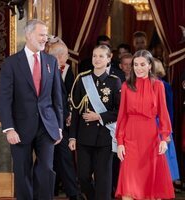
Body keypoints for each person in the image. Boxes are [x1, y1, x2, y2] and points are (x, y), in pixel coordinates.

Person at [0, 19, 63, 200]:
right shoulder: (11, 63)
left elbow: (57, 97)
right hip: (19, 127)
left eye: (46, 35)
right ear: (28, 35)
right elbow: (4, 99)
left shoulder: (51, 62)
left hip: (47, 126)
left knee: (46, 170)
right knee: (22, 171)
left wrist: (58, 127)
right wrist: (8, 128)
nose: (45, 39)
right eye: (41, 35)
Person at [115, 50, 175, 200]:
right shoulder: (126, 86)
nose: (138, 68)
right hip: (130, 138)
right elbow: (122, 116)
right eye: (135, 64)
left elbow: (163, 114)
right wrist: (120, 142)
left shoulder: (158, 86)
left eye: (142, 64)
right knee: (128, 185)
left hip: (151, 139)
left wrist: (164, 138)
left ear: (150, 66)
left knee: (151, 187)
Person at [69, 45, 121, 200]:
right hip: (84, 137)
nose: (97, 59)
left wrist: (99, 116)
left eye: (101, 56)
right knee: (83, 177)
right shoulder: (82, 79)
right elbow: (76, 111)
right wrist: (72, 137)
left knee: (103, 179)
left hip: (105, 137)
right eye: (94, 56)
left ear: (109, 58)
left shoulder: (114, 82)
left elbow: (119, 111)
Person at [45, 39, 85, 200]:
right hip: (51, 123)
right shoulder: (47, 71)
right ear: (60, 56)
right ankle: (73, 194)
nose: (68, 57)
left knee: (56, 158)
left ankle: (65, 192)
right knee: (62, 157)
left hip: (59, 122)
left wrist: (67, 113)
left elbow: (61, 97)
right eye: (66, 54)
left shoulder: (54, 69)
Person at [154, 58, 180, 181]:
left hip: (161, 125)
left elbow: (168, 110)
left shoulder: (164, 85)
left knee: (163, 158)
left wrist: (167, 131)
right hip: (149, 125)